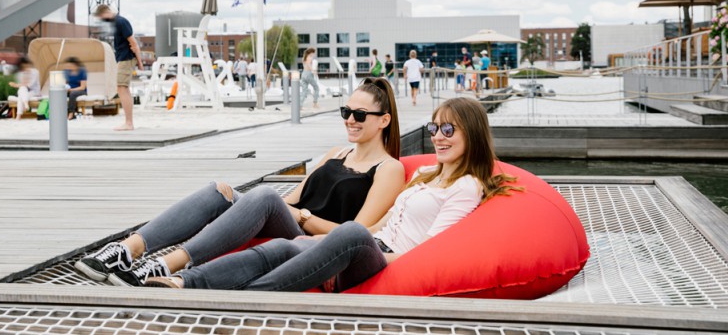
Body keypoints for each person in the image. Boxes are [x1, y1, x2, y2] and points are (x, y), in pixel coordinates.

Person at [146, 97, 522, 292]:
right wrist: (331, 247)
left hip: (386, 260)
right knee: (280, 249)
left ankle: (247, 294)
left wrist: (349, 243)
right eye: (434, 127)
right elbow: (386, 222)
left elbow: (431, 251)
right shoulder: (426, 174)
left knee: (350, 233)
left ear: (470, 134)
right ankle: (184, 283)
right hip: (369, 243)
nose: (438, 136)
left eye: (448, 130)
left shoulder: (466, 187)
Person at [74, 77, 406, 287]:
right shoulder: (337, 152)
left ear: (384, 121)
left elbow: (357, 233)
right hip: (290, 222)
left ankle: (164, 265)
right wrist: (238, 199)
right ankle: (126, 251)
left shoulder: (388, 168)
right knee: (217, 190)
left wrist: (301, 217)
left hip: (313, 244)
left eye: (360, 115)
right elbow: (291, 198)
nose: (350, 119)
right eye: (346, 111)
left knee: (263, 196)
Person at [94, 5, 144, 131]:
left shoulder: (121, 22)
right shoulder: (117, 23)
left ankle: (129, 123)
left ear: (105, 12)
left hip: (126, 58)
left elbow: (133, 44)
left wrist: (140, 62)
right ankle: (128, 122)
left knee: (121, 88)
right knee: (123, 89)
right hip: (123, 58)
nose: (102, 20)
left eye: (101, 17)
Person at [63, 56, 87, 120]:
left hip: (81, 91)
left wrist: (71, 90)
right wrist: (66, 89)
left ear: (75, 65)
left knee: (73, 93)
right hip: (70, 90)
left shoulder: (82, 72)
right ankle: (60, 112)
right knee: (60, 93)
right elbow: (66, 84)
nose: (68, 68)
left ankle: (71, 113)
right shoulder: (67, 72)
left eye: (70, 66)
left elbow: (82, 87)